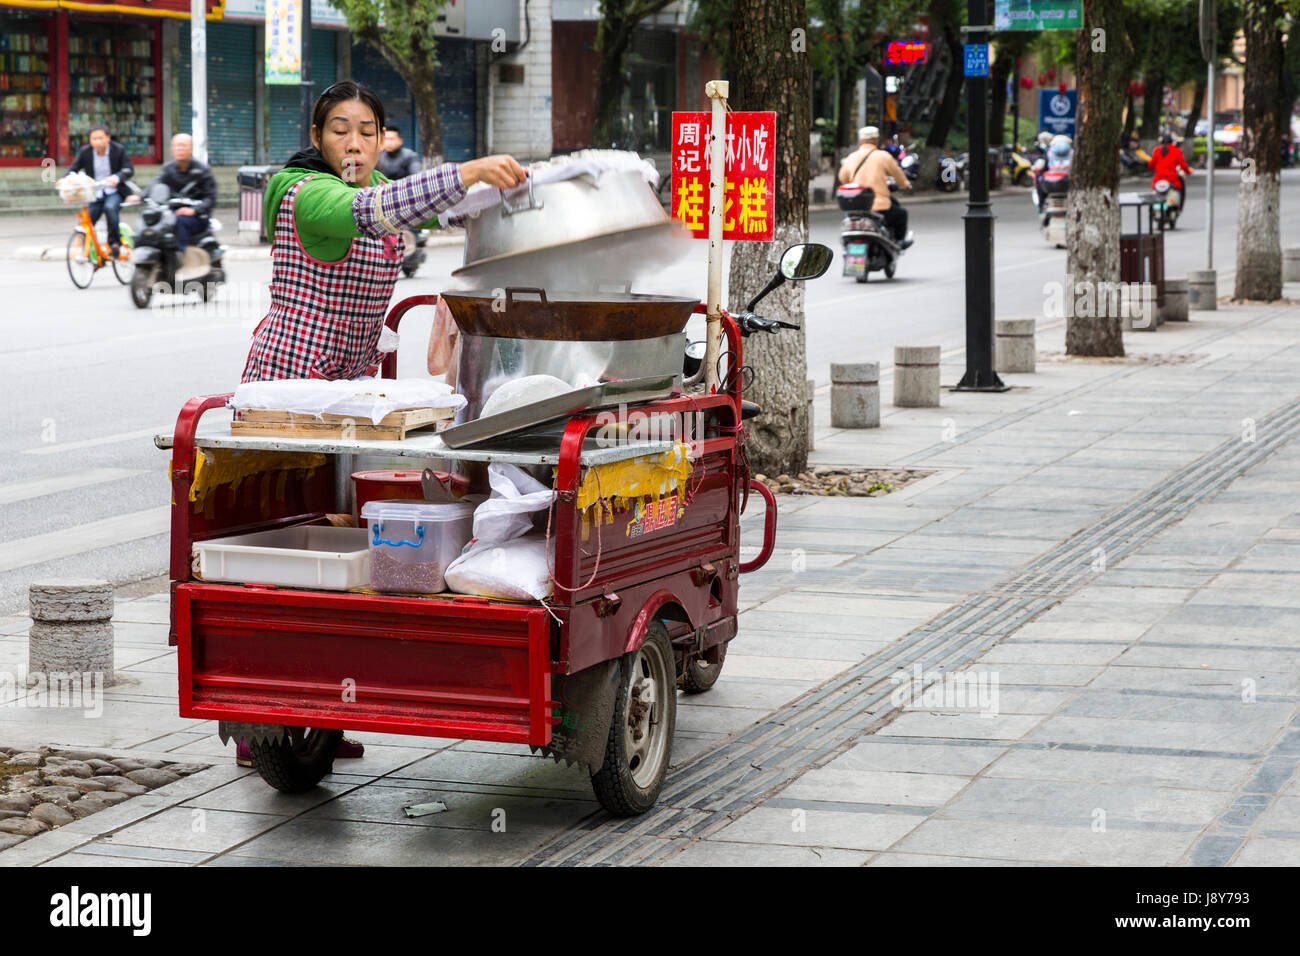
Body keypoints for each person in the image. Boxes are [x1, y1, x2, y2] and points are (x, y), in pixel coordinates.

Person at [234, 81, 526, 766]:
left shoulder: (379, 191)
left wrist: (510, 200)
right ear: (316, 134)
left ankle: (320, 720)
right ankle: (258, 725)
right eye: (340, 129)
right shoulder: (305, 194)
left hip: (348, 398)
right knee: (280, 555)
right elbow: (375, 209)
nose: (355, 142)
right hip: (291, 395)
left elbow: (434, 213)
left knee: (337, 550)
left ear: (382, 138)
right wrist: (468, 170)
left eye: (367, 130)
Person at [838, 125, 912, 247]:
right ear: (876, 140)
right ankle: (898, 242)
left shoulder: (852, 157)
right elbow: (898, 175)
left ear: (861, 141)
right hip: (879, 205)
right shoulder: (883, 156)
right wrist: (905, 184)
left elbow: (843, 178)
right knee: (901, 214)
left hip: (855, 206)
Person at [67, 125, 134, 257]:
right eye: (94, 139)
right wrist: (64, 180)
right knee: (88, 220)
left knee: (110, 208)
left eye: (100, 138)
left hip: (114, 191)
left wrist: (117, 177)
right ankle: (91, 253)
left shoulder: (118, 150)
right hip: (94, 193)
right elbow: (73, 168)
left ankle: (115, 244)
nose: (97, 141)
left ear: (108, 138)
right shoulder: (86, 152)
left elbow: (128, 169)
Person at [152, 133, 218, 253]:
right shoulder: (168, 168)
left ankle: (180, 256)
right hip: (174, 211)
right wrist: (139, 196)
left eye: (183, 146)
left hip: (198, 216)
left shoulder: (203, 170)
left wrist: (194, 210)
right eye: (177, 146)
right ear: (172, 149)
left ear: (191, 148)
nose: (179, 149)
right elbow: (157, 183)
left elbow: (211, 198)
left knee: (179, 221)